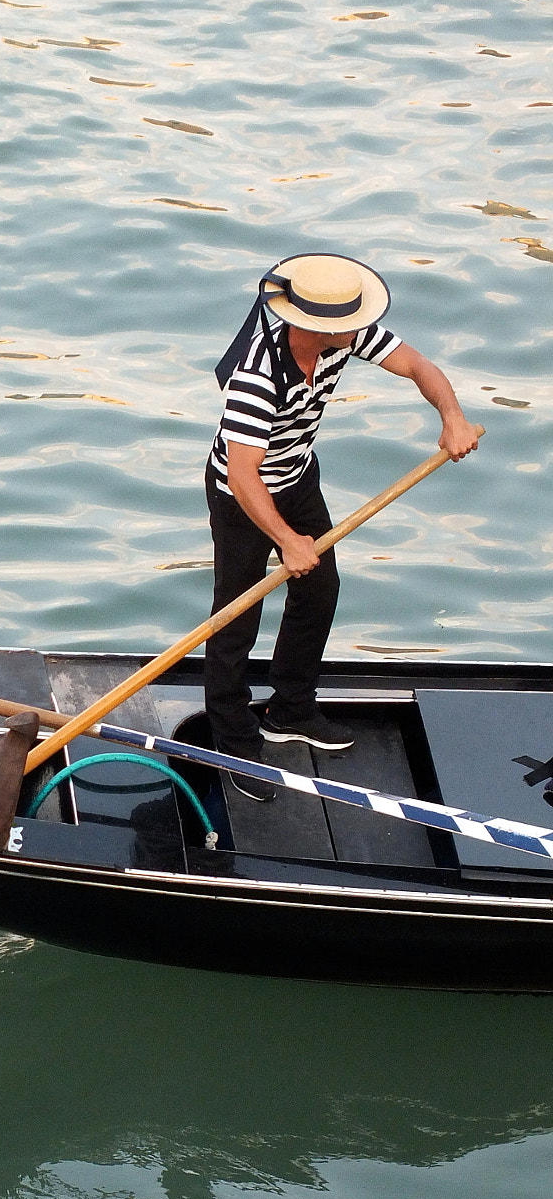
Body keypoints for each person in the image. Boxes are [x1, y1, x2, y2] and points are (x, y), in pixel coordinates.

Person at [206, 252, 478, 802]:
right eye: (349, 325)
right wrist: (286, 541)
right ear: (312, 325)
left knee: (320, 590)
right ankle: (231, 742)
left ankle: (290, 709)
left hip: (299, 477)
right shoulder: (257, 377)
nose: (362, 332)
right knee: (237, 614)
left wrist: (451, 417)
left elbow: (420, 367)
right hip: (243, 497)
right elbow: (242, 475)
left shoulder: (347, 338)